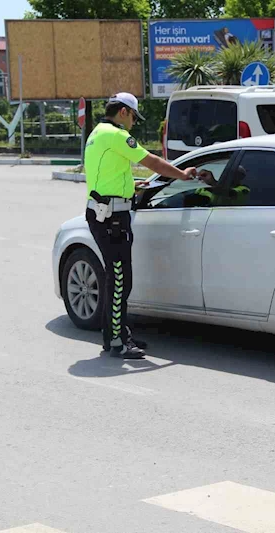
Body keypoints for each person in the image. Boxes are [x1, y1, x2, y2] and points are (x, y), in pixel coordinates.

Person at [84, 92, 196, 359]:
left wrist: (130, 185)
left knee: (117, 278)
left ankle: (116, 336)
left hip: (104, 212)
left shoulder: (97, 133)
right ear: (123, 112)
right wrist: (182, 174)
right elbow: (151, 161)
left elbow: (104, 174)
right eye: (134, 116)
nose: (134, 122)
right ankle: (118, 343)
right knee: (120, 280)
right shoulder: (118, 135)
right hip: (112, 218)